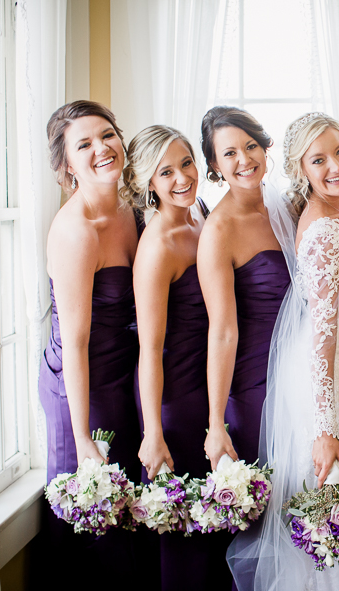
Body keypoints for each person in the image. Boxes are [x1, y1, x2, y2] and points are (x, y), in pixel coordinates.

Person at [228, 112, 339, 591]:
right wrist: (323, 427)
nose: (334, 165)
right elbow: (321, 334)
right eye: (319, 160)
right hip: (328, 378)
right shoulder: (322, 230)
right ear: (302, 171)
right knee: (336, 502)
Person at [36, 100, 154, 588]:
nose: (102, 148)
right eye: (84, 144)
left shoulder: (131, 210)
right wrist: (82, 435)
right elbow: (76, 344)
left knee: (124, 509)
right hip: (78, 385)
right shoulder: (75, 231)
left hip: (121, 377)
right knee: (90, 512)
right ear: (67, 166)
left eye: (107, 135)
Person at [124, 125, 231, 590]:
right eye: (165, 172)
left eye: (186, 163)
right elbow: (148, 349)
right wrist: (153, 433)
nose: (182, 178)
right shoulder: (157, 247)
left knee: (212, 522)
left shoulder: (201, 214)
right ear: (148, 182)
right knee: (183, 527)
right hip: (171, 396)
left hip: (205, 386)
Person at [197, 107, 290, 470]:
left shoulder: (287, 205)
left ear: (265, 147)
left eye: (250, 146)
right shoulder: (219, 231)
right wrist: (215, 423)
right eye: (230, 153)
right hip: (257, 382)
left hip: (300, 370)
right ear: (215, 164)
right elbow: (221, 331)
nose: (244, 160)